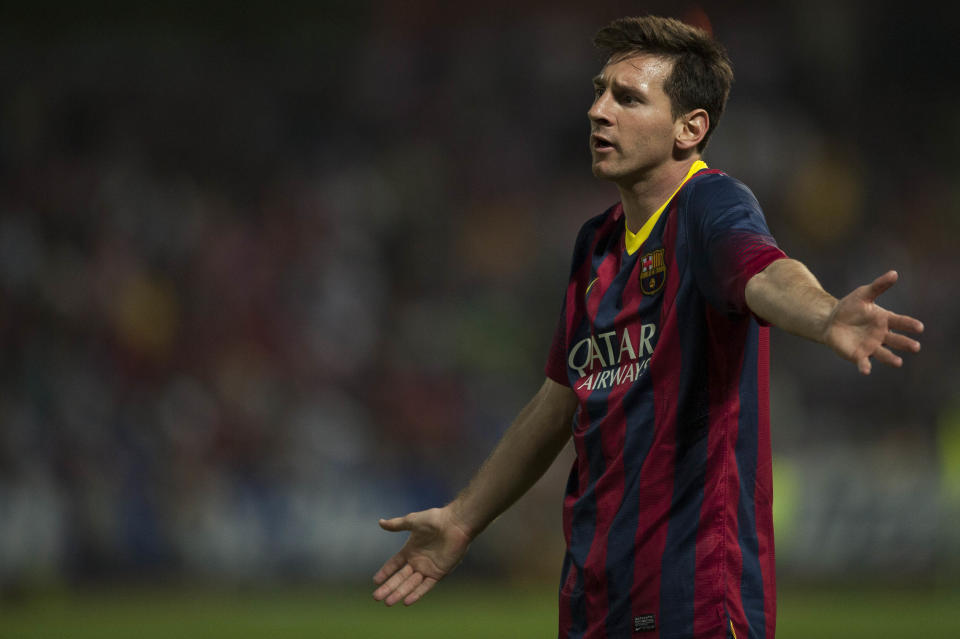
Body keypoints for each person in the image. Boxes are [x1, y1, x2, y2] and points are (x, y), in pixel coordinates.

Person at [371, 15, 924, 639]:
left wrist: (825, 314)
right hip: (594, 593)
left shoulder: (711, 206)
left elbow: (766, 271)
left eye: (627, 98)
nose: (598, 111)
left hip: (693, 601)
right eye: (600, 91)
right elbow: (560, 398)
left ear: (691, 128)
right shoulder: (596, 242)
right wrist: (463, 518)